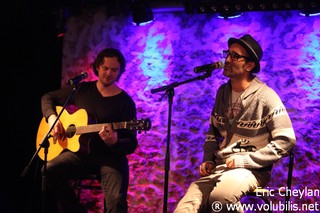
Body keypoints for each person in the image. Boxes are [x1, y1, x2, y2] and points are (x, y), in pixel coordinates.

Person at [173, 34, 296, 213]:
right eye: (228, 54)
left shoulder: (266, 96)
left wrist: (246, 160)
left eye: (235, 56)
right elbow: (213, 131)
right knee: (184, 209)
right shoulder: (222, 92)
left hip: (252, 169)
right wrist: (208, 159)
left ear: (249, 65)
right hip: (221, 167)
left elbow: (287, 140)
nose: (228, 59)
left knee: (220, 199)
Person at [41, 48, 138, 213]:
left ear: (120, 72)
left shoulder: (125, 102)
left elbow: (131, 143)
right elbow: (48, 97)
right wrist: (52, 119)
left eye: (114, 70)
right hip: (80, 155)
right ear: (98, 67)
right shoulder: (81, 90)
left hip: (111, 159)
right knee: (48, 170)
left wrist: (115, 142)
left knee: (116, 201)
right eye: (105, 68)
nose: (109, 73)